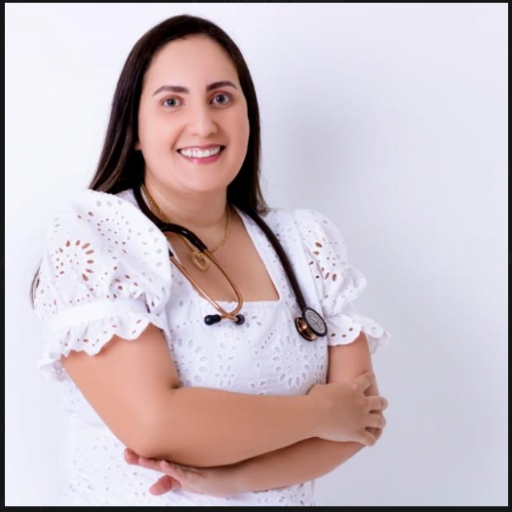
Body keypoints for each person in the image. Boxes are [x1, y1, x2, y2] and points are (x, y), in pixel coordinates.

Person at [32, 14, 391, 507]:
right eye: (171, 102)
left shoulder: (305, 244)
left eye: (221, 98)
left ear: (248, 115)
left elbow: (360, 422)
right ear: (134, 129)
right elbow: (156, 425)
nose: (203, 124)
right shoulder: (98, 237)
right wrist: (320, 413)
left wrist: (235, 478)